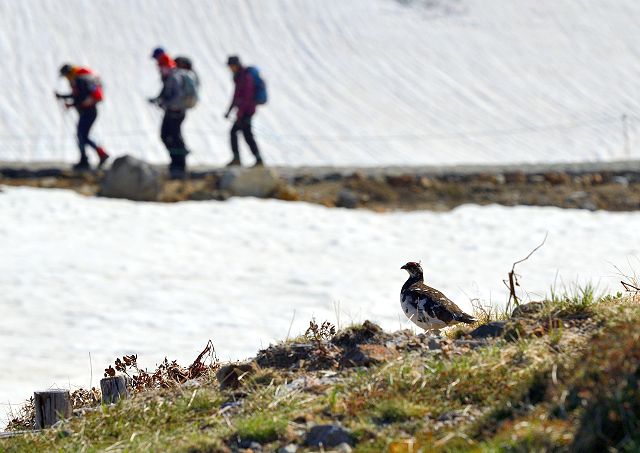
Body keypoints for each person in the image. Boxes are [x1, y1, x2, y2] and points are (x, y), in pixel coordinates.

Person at [55, 64, 109, 170]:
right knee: (82, 135)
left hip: (88, 112)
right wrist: (63, 97)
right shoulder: (82, 78)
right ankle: (91, 157)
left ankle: (92, 157)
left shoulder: (79, 80)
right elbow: (78, 96)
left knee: (82, 135)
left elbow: (80, 97)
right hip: (89, 111)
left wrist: (70, 104)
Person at [149, 48, 190, 178]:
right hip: (173, 111)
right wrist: (157, 100)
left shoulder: (174, 76)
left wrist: (165, 103)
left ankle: (179, 163)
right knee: (169, 135)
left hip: (176, 112)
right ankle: (176, 162)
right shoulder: (169, 77)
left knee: (172, 136)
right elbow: (165, 93)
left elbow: (177, 96)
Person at [224, 55, 263, 167]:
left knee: (236, 133)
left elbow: (246, 97)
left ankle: (238, 159)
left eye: (230, 66)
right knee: (246, 135)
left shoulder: (244, 77)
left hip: (246, 111)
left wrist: (239, 112)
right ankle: (257, 159)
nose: (230, 68)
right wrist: (230, 110)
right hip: (245, 111)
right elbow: (236, 96)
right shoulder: (240, 76)